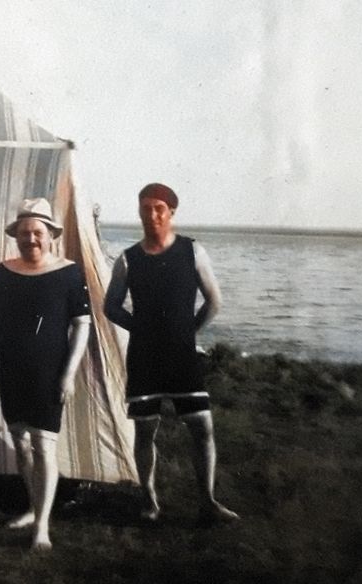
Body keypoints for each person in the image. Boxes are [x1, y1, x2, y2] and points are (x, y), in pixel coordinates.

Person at [103, 183, 239, 524]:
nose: (151, 215)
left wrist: (186, 331)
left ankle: (207, 501)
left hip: (182, 357)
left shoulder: (193, 251)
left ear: (172, 212)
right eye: (145, 208)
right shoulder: (127, 259)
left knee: (202, 427)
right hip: (144, 358)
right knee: (145, 431)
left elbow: (214, 301)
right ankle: (149, 501)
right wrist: (141, 329)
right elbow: (110, 307)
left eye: (159, 209)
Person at [0, 198, 92, 551]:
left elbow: (81, 327)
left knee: (43, 446)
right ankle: (32, 506)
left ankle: (42, 527)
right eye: (24, 233)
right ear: (17, 237)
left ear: (51, 235)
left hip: (49, 374)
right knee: (21, 444)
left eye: (38, 232)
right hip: (11, 372)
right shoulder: (3, 272)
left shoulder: (69, 273)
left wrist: (69, 374)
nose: (31, 239)